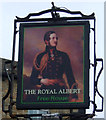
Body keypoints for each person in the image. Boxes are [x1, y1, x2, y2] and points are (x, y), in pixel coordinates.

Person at [30, 31, 78, 102]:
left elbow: (70, 77)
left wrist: (74, 96)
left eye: (56, 38)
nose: (55, 40)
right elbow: (32, 79)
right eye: (53, 38)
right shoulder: (40, 57)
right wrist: (42, 81)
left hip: (61, 92)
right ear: (46, 41)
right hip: (44, 93)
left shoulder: (63, 56)